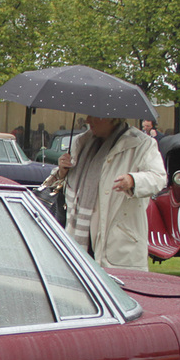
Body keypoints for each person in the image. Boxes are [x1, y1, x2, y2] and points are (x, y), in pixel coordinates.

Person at [51, 114, 165, 270]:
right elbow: (69, 188)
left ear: (112, 118)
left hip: (118, 244)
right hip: (80, 240)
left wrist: (133, 180)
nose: (87, 121)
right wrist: (62, 171)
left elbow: (158, 178)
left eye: (94, 116)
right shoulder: (81, 143)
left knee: (119, 293)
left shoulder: (142, 144)